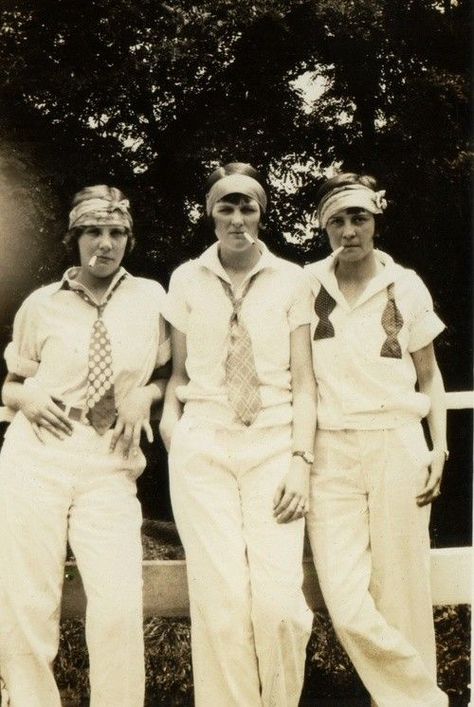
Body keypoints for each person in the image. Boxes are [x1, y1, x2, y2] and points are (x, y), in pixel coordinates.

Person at [0, 185, 170, 707]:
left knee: (118, 600)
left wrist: (147, 391)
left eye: (117, 232)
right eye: (93, 231)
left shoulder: (152, 300)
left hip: (110, 460)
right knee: (28, 600)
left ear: (129, 240)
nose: (106, 243)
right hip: (39, 452)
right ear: (74, 238)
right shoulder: (41, 305)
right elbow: (10, 384)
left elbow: (175, 372)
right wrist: (25, 398)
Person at [159, 162, 316, 707]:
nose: (237, 217)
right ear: (210, 214)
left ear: (262, 212)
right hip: (204, 444)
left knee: (279, 606)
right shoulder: (185, 278)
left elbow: (305, 381)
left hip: (273, 442)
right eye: (225, 206)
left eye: (247, 205)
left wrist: (301, 459)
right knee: (221, 604)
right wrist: (173, 430)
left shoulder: (295, 279)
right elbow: (179, 374)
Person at [305, 172, 449, 706]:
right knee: (346, 597)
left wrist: (440, 448)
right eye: (337, 220)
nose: (349, 231)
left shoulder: (404, 284)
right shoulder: (307, 285)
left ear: (374, 221)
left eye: (358, 218)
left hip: (397, 443)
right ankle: (425, 699)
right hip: (330, 449)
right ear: (324, 227)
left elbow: (429, 375)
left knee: (404, 593)